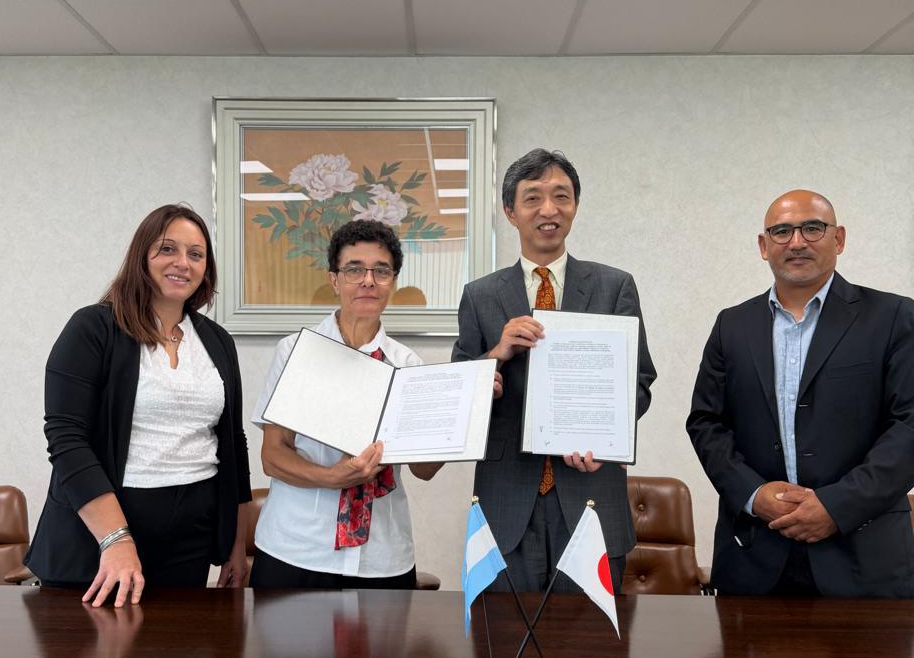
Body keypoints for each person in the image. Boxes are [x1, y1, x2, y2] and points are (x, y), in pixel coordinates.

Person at [687, 189, 914, 597]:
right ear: (763, 245)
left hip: (865, 559)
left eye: (812, 228)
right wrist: (755, 495)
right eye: (782, 231)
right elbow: (706, 423)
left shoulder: (894, 317)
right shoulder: (731, 326)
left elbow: (909, 426)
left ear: (838, 239)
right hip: (754, 556)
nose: (796, 241)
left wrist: (836, 506)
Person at [452, 148, 656, 595]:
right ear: (510, 211)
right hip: (506, 508)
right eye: (533, 198)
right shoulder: (481, 296)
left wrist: (604, 437)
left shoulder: (613, 286)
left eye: (561, 196)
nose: (549, 210)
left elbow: (639, 382)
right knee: (503, 649)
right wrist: (495, 355)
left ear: (575, 206)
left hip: (591, 496)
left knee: (593, 654)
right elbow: (458, 395)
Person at [26, 204, 252, 606]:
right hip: (97, 539)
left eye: (196, 254)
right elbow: (67, 440)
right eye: (168, 249)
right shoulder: (93, 328)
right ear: (141, 257)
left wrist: (236, 544)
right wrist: (116, 539)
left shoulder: (217, 341)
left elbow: (233, 444)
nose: (182, 263)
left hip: (189, 540)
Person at [250, 219, 446, 589]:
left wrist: (454, 423)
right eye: (355, 269)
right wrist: (332, 477)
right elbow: (273, 456)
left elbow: (424, 469)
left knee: (383, 651)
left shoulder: (409, 367)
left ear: (393, 280)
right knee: (281, 649)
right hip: (296, 549)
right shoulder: (295, 352)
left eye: (381, 271)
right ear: (334, 279)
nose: (368, 280)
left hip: (382, 557)